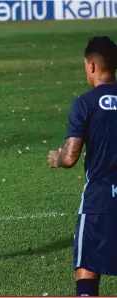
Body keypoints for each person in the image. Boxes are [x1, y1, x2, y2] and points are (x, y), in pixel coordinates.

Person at [48, 36, 117, 296]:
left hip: (99, 200)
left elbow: (70, 156)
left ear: (91, 66)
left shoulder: (84, 103)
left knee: (87, 267)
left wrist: (58, 158)